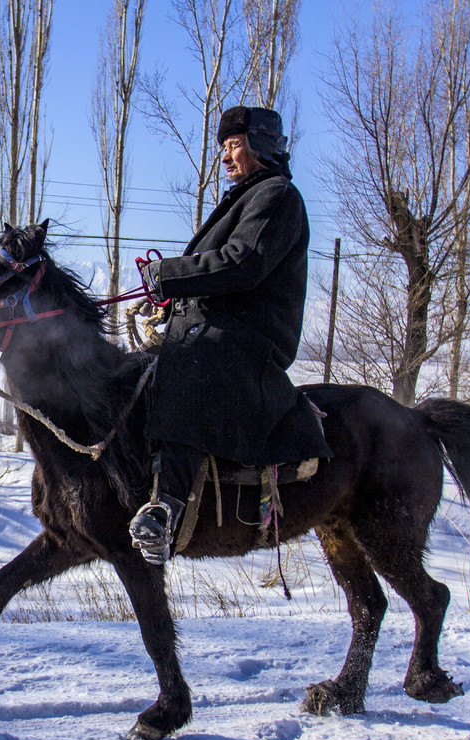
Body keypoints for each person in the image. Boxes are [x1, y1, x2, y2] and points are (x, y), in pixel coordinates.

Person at [128, 105, 331, 564]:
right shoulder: (246, 197)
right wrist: (169, 299)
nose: (225, 156)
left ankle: (168, 509)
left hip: (248, 337)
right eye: (223, 147)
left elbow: (242, 263)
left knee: (191, 361)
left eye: (233, 145)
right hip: (216, 326)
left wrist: (168, 275)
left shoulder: (278, 195)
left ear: (260, 144)